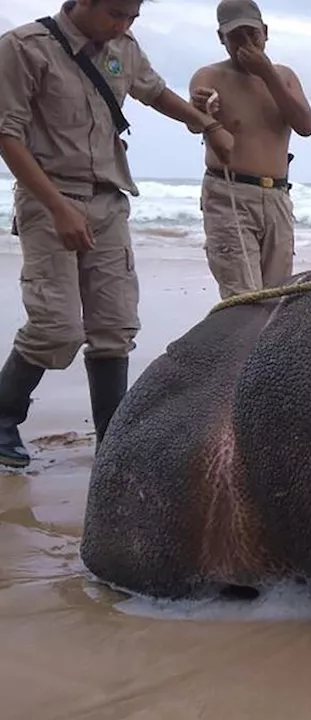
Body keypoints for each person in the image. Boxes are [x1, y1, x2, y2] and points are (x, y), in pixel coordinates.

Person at [0, 0, 234, 468]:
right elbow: (7, 135)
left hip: (110, 199)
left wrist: (205, 124)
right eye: (114, 13)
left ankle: (112, 442)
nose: (123, 25)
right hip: (50, 198)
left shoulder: (123, 47)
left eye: (132, 17)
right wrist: (57, 208)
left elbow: (155, 92)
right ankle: (3, 418)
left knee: (115, 327)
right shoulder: (24, 47)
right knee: (56, 328)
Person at [188, 0, 311, 300]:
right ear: (221, 38)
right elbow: (194, 123)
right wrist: (203, 110)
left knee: (276, 297)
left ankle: (263, 348)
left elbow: (305, 125)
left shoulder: (284, 76)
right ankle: (233, 346)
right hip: (230, 193)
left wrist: (266, 73)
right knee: (242, 298)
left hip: (277, 197)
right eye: (236, 37)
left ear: (265, 32)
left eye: (252, 34)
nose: (246, 44)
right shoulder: (210, 76)